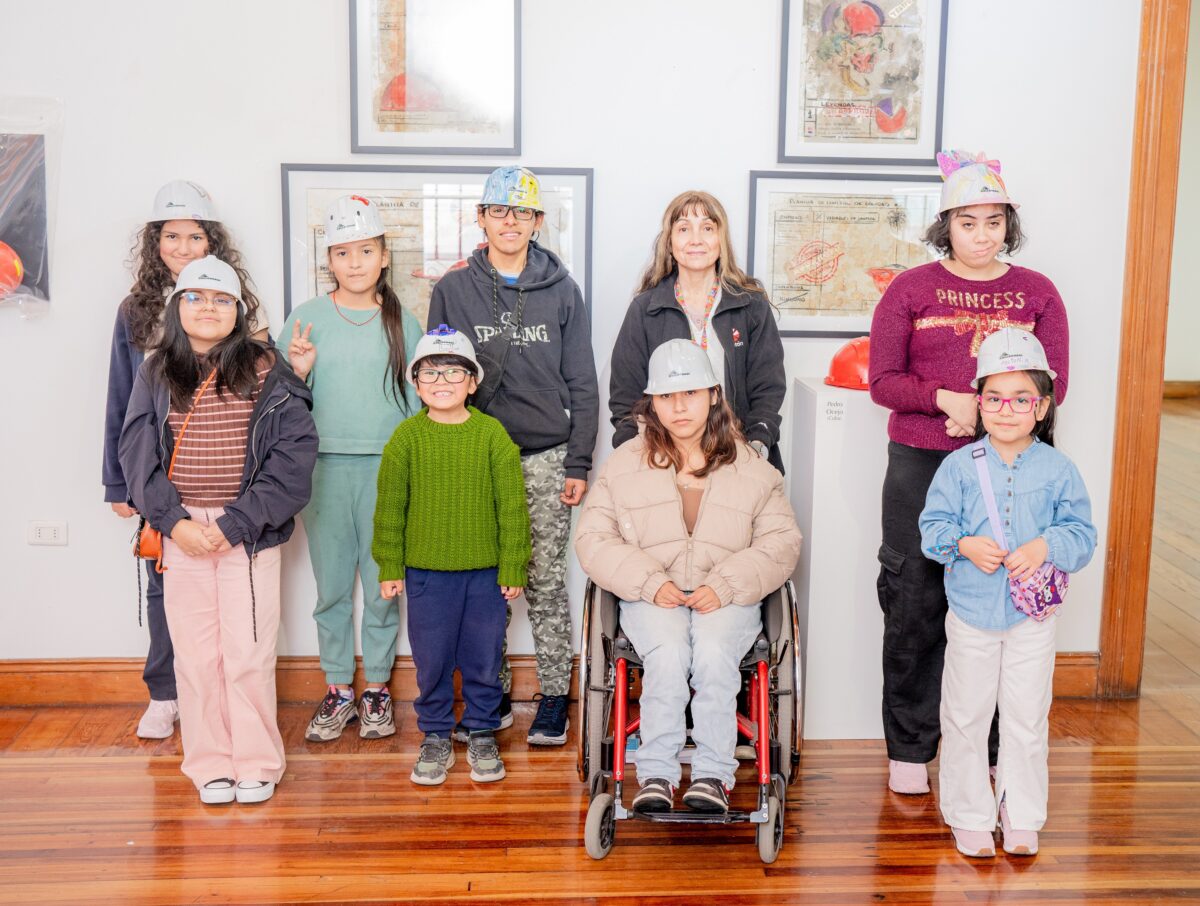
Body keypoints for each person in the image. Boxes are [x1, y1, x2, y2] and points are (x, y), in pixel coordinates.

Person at [868, 150, 1070, 796]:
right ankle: (909, 747)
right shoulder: (911, 290)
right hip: (923, 465)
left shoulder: (1038, 293)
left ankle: (986, 750)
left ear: (1008, 225)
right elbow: (883, 380)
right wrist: (945, 400)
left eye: (993, 222)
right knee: (914, 603)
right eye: (968, 222)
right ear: (945, 225)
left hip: (1012, 468)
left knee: (998, 606)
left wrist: (989, 414)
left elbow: (1052, 383)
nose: (982, 235)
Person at [119, 256, 318, 804]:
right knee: (197, 655)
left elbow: (293, 459)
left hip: (248, 531)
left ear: (238, 309)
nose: (208, 308)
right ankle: (209, 763)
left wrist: (235, 523)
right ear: (178, 305)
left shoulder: (268, 369)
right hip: (182, 532)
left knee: (249, 652)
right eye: (196, 298)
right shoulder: (156, 370)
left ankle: (256, 761)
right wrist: (174, 522)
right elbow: (137, 452)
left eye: (221, 299)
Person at [575, 339, 802, 814]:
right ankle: (656, 772)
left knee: (716, 654)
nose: (679, 407)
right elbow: (593, 540)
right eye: (666, 397)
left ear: (714, 394)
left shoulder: (754, 468)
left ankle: (713, 778)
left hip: (728, 598)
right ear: (652, 402)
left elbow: (782, 543)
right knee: (670, 653)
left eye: (691, 394)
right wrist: (648, 582)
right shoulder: (623, 466)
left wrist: (725, 585)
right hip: (652, 596)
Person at [427, 166, 598, 746]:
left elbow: (583, 380)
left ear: (537, 223)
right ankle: (488, 691)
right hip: (474, 455)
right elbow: (436, 374)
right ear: (480, 218)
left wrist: (578, 462)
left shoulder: (563, 289)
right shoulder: (452, 289)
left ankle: (554, 696)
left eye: (521, 213)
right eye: (498, 211)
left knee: (545, 581)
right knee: (485, 581)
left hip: (546, 454)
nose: (510, 222)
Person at [920, 328, 1096, 857]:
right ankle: (968, 812)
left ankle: (1021, 813)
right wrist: (966, 545)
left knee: (1025, 715)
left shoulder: (1060, 469)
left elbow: (1083, 536)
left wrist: (1045, 546)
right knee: (966, 714)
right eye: (994, 398)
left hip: (1031, 621)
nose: (1006, 409)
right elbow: (932, 530)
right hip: (971, 614)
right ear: (979, 403)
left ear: (1041, 407)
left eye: (1021, 399)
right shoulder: (958, 466)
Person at [103, 180, 269, 740]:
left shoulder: (241, 304)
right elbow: (121, 401)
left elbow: (264, 392)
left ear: (212, 242)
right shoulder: (136, 311)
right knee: (164, 581)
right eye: (170, 235)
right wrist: (117, 483)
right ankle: (167, 691)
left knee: (227, 591)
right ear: (156, 243)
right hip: (159, 473)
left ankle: (222, 697)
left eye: (194, 235)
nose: (181, 246)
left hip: (226, 479)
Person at [281, 195, 421, 743]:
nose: (356, 262)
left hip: (387, 469)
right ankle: (339, 687)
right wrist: (299, 371)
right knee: (332, 585)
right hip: (324, 470)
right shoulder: (306, 318)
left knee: (383, 586)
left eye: (366, 250)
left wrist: (417, 473)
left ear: (384, 256)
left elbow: (418, 403)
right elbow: (284, 399)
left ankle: (378, 689)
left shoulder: (403, 321)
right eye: (344, 253)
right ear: (330, 260)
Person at [373, 325, 531, 785]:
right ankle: (436, 734)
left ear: (473, 382)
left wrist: (512, 563)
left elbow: (512, 506)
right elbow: (389, 509)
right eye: (431, 373)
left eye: (454, 372)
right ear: (415, 382)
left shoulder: (492, 435)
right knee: (433, 658)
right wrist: (389, 564)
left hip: (484, 576)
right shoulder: (406, 439)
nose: (442, 381)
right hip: (426, 576)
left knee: (483, 657)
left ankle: (482, 730)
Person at [609, 190, 786, 472]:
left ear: (720, 240)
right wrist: (638, 459)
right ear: (669, 242)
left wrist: (756, 447)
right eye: (683, 229)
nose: (696, 240)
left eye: (707, 228)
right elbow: (625, 396)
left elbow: (768, 388)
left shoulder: (750, 305)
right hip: (666, 461)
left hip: (739, 454)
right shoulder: (645, 309)